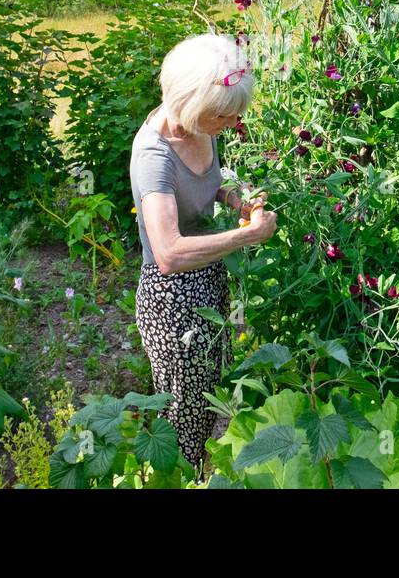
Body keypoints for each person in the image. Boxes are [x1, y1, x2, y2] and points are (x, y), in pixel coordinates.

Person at [129, 33, 277, 470]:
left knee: (210, 387)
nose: (232, 125)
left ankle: (200, 472)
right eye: (224, 117)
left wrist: (238, 197)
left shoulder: (198, 125)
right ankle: (178, 476)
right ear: (191, 102)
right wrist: (245, 237)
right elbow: (170, 254)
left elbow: (211, 180)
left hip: (209, 276)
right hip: (172, 300)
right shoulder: (153, 157)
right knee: (183, 410)